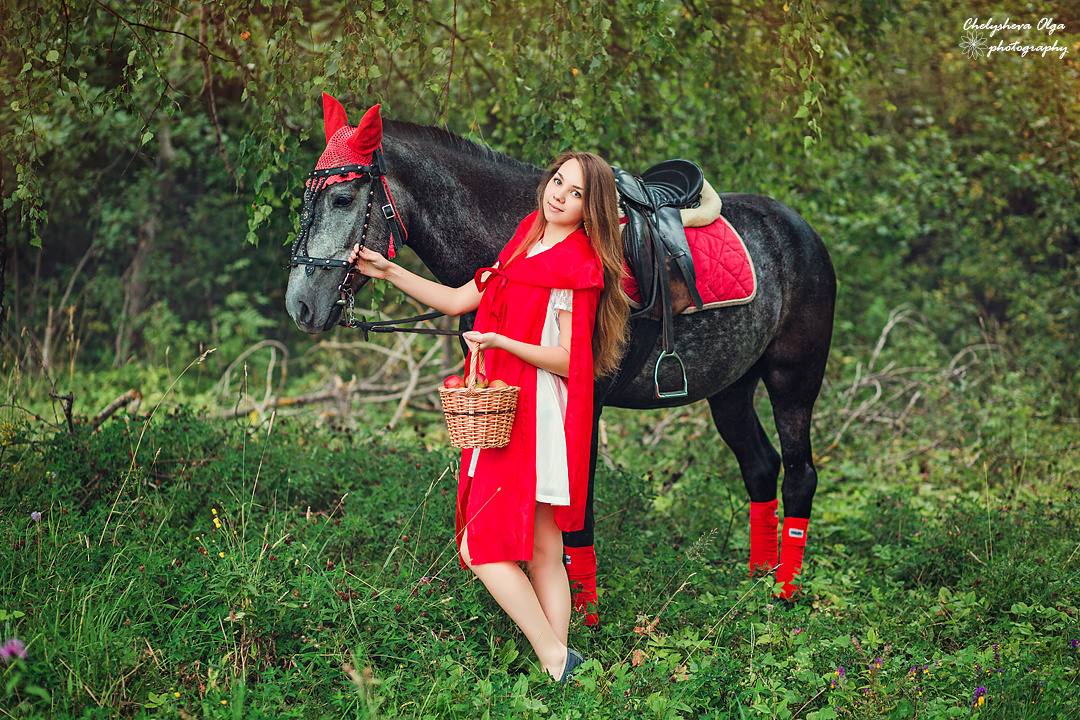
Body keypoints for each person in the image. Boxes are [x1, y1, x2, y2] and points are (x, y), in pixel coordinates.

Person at [349, 151, 628, 682]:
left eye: (574, 194)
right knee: (545, 549)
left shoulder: (578, 266)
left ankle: (553, 655)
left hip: (536, 408)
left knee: (479, 547)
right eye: (558, 182)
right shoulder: (527, 237)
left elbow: (572, 361)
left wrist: (502, 340)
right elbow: (458, 300)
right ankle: (562, 673)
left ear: (589, 209)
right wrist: (389, 272)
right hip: (507, 400)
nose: (558, 196)